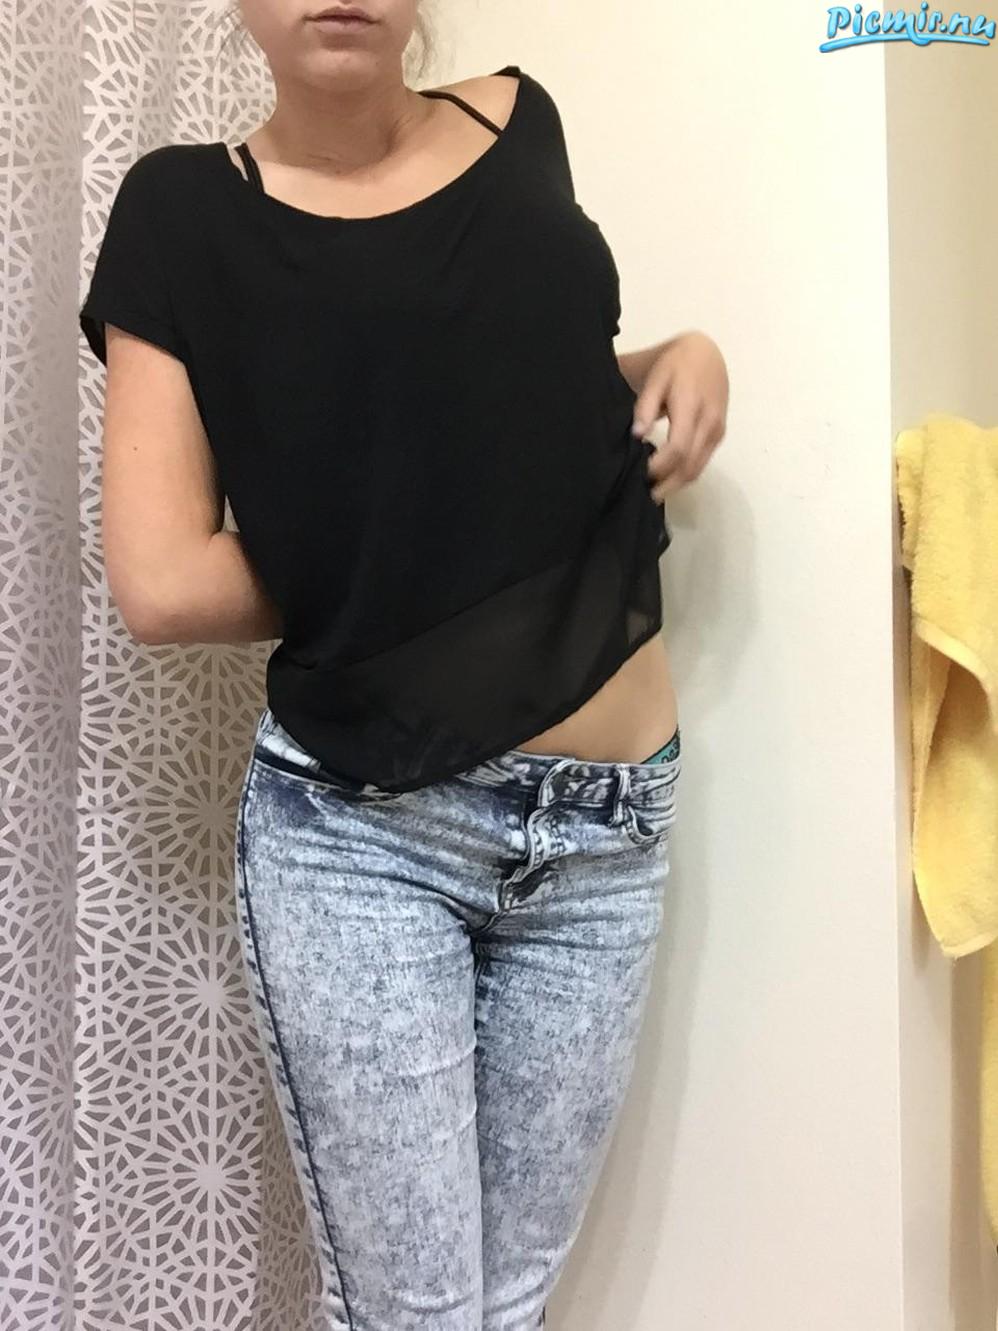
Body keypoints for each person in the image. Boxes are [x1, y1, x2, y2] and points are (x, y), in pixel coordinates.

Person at [79, 2, 728, 1327]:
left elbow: (506, 412)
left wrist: (671, 356)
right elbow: (162, 580)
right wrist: (420, 538)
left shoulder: (520, 122)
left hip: (610, 836)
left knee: (512, 1304)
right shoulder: (182, 211)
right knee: (417, 1317)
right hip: (365, 834)